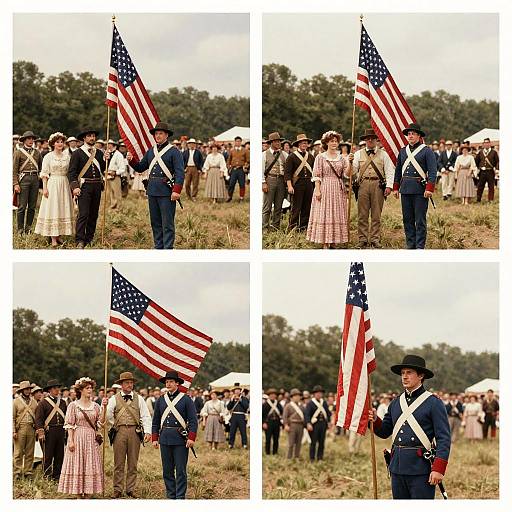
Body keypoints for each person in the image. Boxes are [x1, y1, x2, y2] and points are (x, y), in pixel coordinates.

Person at [368, 355, 451, 499]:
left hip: (420, 469)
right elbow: (384, 431)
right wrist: (375, 419)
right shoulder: (395, 403)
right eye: (402, 373)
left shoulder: (433, 403)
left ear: (421, 375)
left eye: (409, 373)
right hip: (397, 468)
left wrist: (438, 469)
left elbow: (444, 438)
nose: (404, 377)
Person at [128, 122, 185, 249]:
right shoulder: (151, 151)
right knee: (155, 222)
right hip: (152, 190)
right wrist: (131, 160)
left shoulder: (174, 151)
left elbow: (180, 172)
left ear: (166, 135)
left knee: (167, 223)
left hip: (166, 191)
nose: (158, 136)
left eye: (160, 133)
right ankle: (158, 246)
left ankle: (168, 247)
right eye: (156, 134)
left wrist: (176, 190)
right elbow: (141, 167)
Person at [151, 370, 198, 500]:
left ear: (177, 383)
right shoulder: (161, 400)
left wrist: (191, 437)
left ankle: (180, 496)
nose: (168, 384)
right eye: (167, 382)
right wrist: (155, 438)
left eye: (171, 381)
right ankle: (171, 496)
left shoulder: (186, 399)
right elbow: (155, 421)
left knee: (181, 470)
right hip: (165, 438)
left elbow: (193, 421)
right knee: (167, 470)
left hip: (180, 439)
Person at [58, 377, 106, 497]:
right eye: (87, 388)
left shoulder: (95, 406)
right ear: (81, 390)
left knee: (90, 464)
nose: (90, 390)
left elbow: (100, 423)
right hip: (78, 437)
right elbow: (70, 424)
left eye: (91, 388)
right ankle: (79, 494)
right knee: (77, 464)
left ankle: (89, 494)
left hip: (91, 438)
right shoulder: (73, 406)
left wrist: (104, 408)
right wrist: (71, 441)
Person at [106, 371, 152, 498]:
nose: (130, 385)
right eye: (127, 383)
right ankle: (117, 489)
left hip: (134, 432)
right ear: (121, 384)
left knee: (133, 462)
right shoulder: (113, 399)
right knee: (118, 463)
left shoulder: (140, 399)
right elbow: (108, 415)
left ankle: (130, 489)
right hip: (119, 432)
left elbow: (146, 416)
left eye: (131, 383)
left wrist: (147, 431)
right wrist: (114, 426)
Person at [393, 123, 437, 250]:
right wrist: (396, 187)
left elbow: (433, 172)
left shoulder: (427, 151)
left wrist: (429, 188)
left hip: (420, 190)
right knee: (407, 220)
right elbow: (398, 170)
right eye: (409, 134)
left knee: (420, 220)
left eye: (413, 133)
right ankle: (410, 244)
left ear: (419, 136)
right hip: (405, 189)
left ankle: (419, 246)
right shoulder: (402, 151)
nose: (410, 136)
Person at [350, 128, 394, 248]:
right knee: (362, 214)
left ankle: (375, 239)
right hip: (362, 185)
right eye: (367, 139)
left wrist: (389, 186)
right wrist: (349, 162)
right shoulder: (358, 154)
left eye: (372, 139)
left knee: (376, 215)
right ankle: (362, 239)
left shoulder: (384, 154)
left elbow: (390, 171)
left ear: (376, 140)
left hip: (378, 186)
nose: (370, 141)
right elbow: (352, 172)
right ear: (364, 141)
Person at [306, 130, 349, 249]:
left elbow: (347, 174)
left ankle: (334, 240)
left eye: (336, 141)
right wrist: (318, 190)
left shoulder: (341, 158)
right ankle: (325, 241)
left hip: (338, 187)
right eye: (332, 141)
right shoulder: (320, 157)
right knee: (324, 213)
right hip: (324, 186)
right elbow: (317, 175)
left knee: (336, 213)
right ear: (326, 143)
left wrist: (350, 162)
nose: (334, 143)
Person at [68, 128, 106, 248]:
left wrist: (106, 158)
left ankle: (89, 238)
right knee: (83, 214)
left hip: (96, 186)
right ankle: (79, 239)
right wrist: (75, 186)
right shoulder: (77, 153)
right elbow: (72, 172)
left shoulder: (99, 153)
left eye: (93, 136)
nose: (92, 138)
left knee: (93, 214)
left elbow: (103, 169)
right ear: (84, 138)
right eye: (89, 136)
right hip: (84, 187)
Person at [34, 132, 75, 246]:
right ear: (53, 143)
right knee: (53, 208)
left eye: (62, 142)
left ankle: (59, 235)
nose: (60, 144)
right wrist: (45, 188)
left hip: (64, 183)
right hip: (53, 183)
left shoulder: (67, 156)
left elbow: (71, 172)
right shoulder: (48, 156)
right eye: (57, 142)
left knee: (62, 207)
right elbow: (44, 173)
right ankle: (52, 238)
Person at [34, 379, 67, 480]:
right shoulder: (43, 403)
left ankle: (57, 476)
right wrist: (41, 432)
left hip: (61, 431)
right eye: (54, 388)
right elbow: (39, 419)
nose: (57, 390)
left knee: (59, 455)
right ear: (49, 390)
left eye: (58, 388)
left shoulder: (62, 402)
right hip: (49, 432)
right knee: (48, 455)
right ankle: (47, 476)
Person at [13, 130, 43, 234]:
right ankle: (20, 229)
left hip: (35, 179)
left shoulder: (37, 152)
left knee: (32, 206)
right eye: (28, 139)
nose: (31, 140)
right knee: (22, 206)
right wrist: (15, 184)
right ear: (24, 140)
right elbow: (14, 170)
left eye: (32, 139)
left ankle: (28, 227)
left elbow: (41, 167)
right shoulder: (18, 152)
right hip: (23, 179)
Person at [284, 134, 315, 231]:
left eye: (306, 143)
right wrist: (289, 186)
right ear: (298, 144)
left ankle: (303, 228)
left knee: (307, 207)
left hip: (309, 184)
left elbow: (314, 171)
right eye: (302, 143)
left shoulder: (310, 156)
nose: (304, 144)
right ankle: (292, 228)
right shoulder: (291, 157)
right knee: (296, 208)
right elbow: (287, 173)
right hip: (297, 184)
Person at [13, 380, 38, 478]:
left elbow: (37, 417)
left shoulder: (34, 402)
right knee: (18, 452)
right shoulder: (16, 402)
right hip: (20, 428)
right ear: (22, 390)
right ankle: (17, 472)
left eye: (29, 389)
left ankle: (28, 471)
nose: (28, 391)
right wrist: (13, 431)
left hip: (31, 428)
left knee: (30, 452)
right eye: (26, 389)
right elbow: (12, 418)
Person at [262, 132, 287, 230]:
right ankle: (264, 227)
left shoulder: (284, 154)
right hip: (270, 180)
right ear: (271, 142)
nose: (278, 143)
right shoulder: (264, 154)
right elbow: (261, 170)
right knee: (267, 206)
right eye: (276, 142)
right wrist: (263, 183)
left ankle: (275, 227)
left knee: (278, 206)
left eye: (279, 141)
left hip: (281, 181)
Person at [305, 385, 330, 461]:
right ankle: (312, 458)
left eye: (320, 393)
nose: (319, 394)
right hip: (314, 425)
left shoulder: (324, 403)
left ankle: (320, 457)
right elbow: (307, 414)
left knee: (322, 442)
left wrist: (329, 421)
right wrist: (308, 423)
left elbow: (328, 413)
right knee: (313, 442)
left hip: (323, 424)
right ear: (314, 394)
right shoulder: (310, 403)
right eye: (317, 393)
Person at [282, 388, 305, 459]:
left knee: (299, 442)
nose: (297, 397)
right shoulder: (288, 406)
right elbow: (285, 416)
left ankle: (296, 456)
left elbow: (304, 415)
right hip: (292, 425)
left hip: (300, 425)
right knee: (291, 443)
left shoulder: (302, 406)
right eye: (295, 396)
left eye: (298, 396)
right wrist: (286, 425)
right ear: (292, 397)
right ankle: (289, 457)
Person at [475, 138, 499, 202]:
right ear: (483, 144)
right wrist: (479, 167)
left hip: (490, 171)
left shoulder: (494, 152)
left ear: (490, 144)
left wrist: (496, 169)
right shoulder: (480, 152)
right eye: (485, 143)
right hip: (482, 171)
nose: (486, 144)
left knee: (491, 186)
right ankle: (478, 199)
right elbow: (476, 161)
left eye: (487, 143)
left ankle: (490, 199)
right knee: (480, 186)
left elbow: (497, 161)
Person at [227, 136, 249, 202]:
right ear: (235, 142)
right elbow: (228, 160)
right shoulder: (232, 150)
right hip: (234, 169)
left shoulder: (245, 150)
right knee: (231, 184)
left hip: (241, 169)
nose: (238, 142)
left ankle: (241, 197)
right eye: (236, 141)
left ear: (241, 142)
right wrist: (229, 167)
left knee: (242, 184)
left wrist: (245, 166)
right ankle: (229, 197)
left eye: (239, 141)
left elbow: (248, 160)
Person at [227, 383, 249, 449]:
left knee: (243, 431)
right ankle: (231, 444)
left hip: (241, 416)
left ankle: (244, 444)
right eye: (236, 390)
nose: (237, 391)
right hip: (234, 416)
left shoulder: (244, 398)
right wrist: (231, 401)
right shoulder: (232, 398)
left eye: (238, 390)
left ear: (240, 391)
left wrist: (240, 400)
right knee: (232, 431)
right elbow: (228, 408)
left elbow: (246, 407)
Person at [106, 139, 126, 209]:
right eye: (107, 144)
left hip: (115, 176)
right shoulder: (107, 153)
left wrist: (115, 172)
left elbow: (122, 168)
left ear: (114, 145)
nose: (108, 146)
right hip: (108, 175)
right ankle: (113, 205)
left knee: (117, 192)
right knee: (110, 192)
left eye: (109, 144)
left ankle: (119, 207)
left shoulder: (119, 155)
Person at [262, 388, 283, 455]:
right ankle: (267, 452)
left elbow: (282, 412)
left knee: (276, 439)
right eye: (271, 394)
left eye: (274, 395)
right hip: (268, 423)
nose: (273, 396)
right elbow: (262, 415)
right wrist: (263, 423)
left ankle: (275, 452)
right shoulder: (265, 404)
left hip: (276, 422)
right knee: (268, 439)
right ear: (269, 395)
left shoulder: (278, 404)